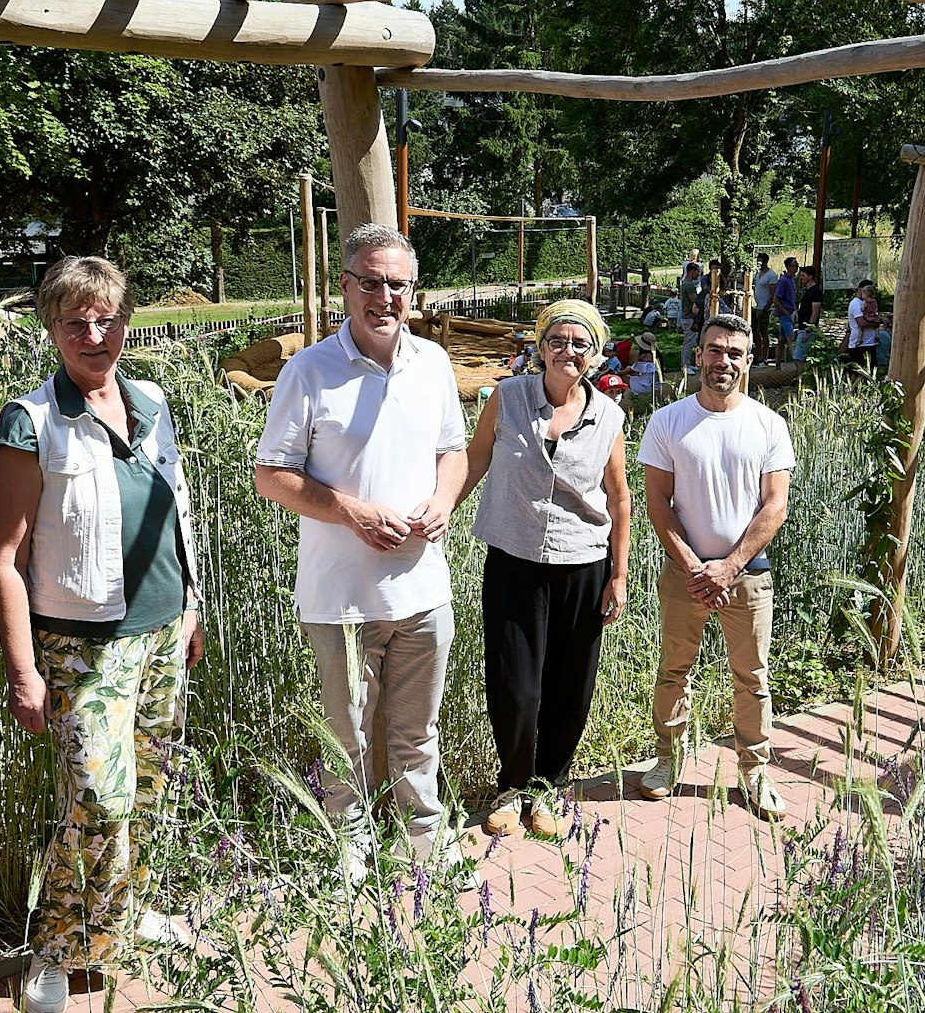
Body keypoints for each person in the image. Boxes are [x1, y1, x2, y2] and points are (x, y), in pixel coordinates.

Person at [0, 255, 204, 1013]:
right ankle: (52, 947)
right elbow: (5, 560)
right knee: (95, 800)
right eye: (75, 320)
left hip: (160, 634)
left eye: (107, 317)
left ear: (126, 321)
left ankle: (122, 914)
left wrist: (191, 604)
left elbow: (176, 512)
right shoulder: (33, 420)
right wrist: (23, 673)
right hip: (83, 647)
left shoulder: (151, 401)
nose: (93, 332)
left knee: (147, 790)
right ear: (51, 327)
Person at [254, 223, 471, 884]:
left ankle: (422, 846)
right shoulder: (308, 370)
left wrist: (444, 500)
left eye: (397, 283)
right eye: (370, 281)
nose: (384, 296)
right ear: (346, 286)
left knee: (416, 735)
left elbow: (453, 452)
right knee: (345, 738)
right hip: (341, 601)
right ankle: (348, 852)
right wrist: (351, 511)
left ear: (414, 291)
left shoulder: (431, 362)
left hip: (423, 592)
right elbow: (270, 473)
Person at [459, 300, 632, 837]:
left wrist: (619, 574)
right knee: (515, 680)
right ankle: (512, 786)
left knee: (569, 682)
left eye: (580, 343)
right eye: (557, 339)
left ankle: (547, 789)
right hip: (514, 559)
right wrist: (437, 515)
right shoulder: (508, 398)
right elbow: (475, 458)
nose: (568, 351)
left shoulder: (609, 416)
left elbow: (619, 498)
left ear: (595, 352)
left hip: (583, 563)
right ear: (540, 345)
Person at [635, 313, 794, 821]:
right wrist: (692, 565)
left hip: (747, 576)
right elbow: (658, 502)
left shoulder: (769, 425)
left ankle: (755, 769)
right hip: (684, 575)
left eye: (734, 353)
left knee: (752, 677)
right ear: (698, 354)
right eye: (714, 350)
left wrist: (728, 567)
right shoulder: (668, 421)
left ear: (748, 362)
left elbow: (774, 506)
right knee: (674, 669)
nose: (722, 361)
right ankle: (666, 759)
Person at [846, 279, 883, 369]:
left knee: (870, 370)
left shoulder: (872, 302)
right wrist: (876, 323)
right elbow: (861, 323)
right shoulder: (856, 303)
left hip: (870, 343)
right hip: (859, 345)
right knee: (858, 371)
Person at [792, 265, 824, 364]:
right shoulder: (807, 291)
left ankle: (803, 378)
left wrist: (808, 331)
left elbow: (815, 313)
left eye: (803, 276)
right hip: (801, 327)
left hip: (807, 330)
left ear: (810, 277)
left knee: (799, 358)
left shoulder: (815, 292)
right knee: (799, 358)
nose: (801, 278)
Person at [750, 253, 778, 364]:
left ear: (766, 261)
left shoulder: (771, 275)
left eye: (760, 261)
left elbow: (772, 293)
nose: (759, 263)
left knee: (764, 331)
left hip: (764, 307)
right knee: (755, 331)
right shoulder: (758, 274)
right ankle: (757, 353)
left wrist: (767, 307)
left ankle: (764, 356)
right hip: (756, 306)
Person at [676, 261, 703, 372]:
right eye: (697, 272)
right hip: (688, 317)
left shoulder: (685, 283)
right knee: (688, 343)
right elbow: (695, 300)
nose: (698, 275)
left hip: (687, 317)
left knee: (690, 342)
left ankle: (687, 363)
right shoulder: (689, 285)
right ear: (692, 271)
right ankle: (685, 365)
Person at [774, 257, 799, 361]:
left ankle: (778, 365)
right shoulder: (783, 281)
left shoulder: (792, 279)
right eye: (795, 265)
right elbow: (776, 299)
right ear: (789, 267)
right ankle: (796, 362)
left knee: (782, 340)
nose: (797, 267)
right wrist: (785, 312)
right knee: (791, 339)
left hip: (791, 312)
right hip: (786, 314)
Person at [628, 332, 660, 400]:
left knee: (626, 376)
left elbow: (630, 370)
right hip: (656, 385)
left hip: (646, 387)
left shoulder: (644, 357)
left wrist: (618, 373)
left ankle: (630, 393)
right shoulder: (657, 356)